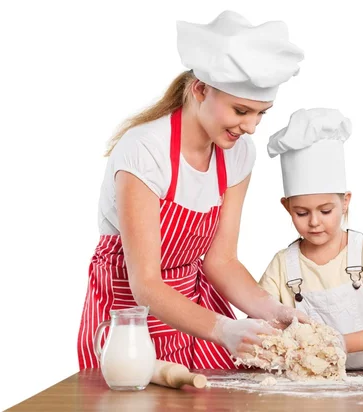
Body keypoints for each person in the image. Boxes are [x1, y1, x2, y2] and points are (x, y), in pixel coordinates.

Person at [78, 10, 309, 371]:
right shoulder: (145, 151)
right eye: (241, 110)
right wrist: (224, 329)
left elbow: (221, 261)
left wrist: (273, 309)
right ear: (200, 89)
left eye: (261, 114)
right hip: (129, 320)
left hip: (196, 311)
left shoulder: (236, 154)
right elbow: (147, 285)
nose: (250, 127)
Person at [259, 108, 363, 370]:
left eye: (326, 211)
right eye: (302, 212)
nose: (315, 221)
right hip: (311, 382)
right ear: (286, 207)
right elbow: (259, 321)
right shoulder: (283, 265)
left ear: (345, 202)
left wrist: (340, 342)